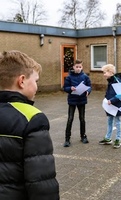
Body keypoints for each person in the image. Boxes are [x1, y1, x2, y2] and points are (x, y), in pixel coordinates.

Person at [0, 50, 59, 199]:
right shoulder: (33, 118)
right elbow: (41, 182)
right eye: (36, 81)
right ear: (22, 81)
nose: (37, 86)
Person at [63, 59, 92, 147]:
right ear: (73, 67)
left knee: (82, 119)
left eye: (80, 67)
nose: (78, 68)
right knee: (70, 118)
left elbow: (89, 86)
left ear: (82, 67)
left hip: (82, 100)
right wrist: (70, 88)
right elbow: (65, 87)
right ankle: (67, 138)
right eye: (77, 67)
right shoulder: (69, 77)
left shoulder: (85, 76)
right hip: (72, 100)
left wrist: (88, 91)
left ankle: (83, 136)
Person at [99, 64, 121, 148]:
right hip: (110, 105)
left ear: (110, 72)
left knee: (117, 122)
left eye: (105, 72)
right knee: (109, 121)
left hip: (116, 105)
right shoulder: (111, 80)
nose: (104, 74)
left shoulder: (116, 81)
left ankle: (118, 139)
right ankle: (108, 138)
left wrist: (112, 100)